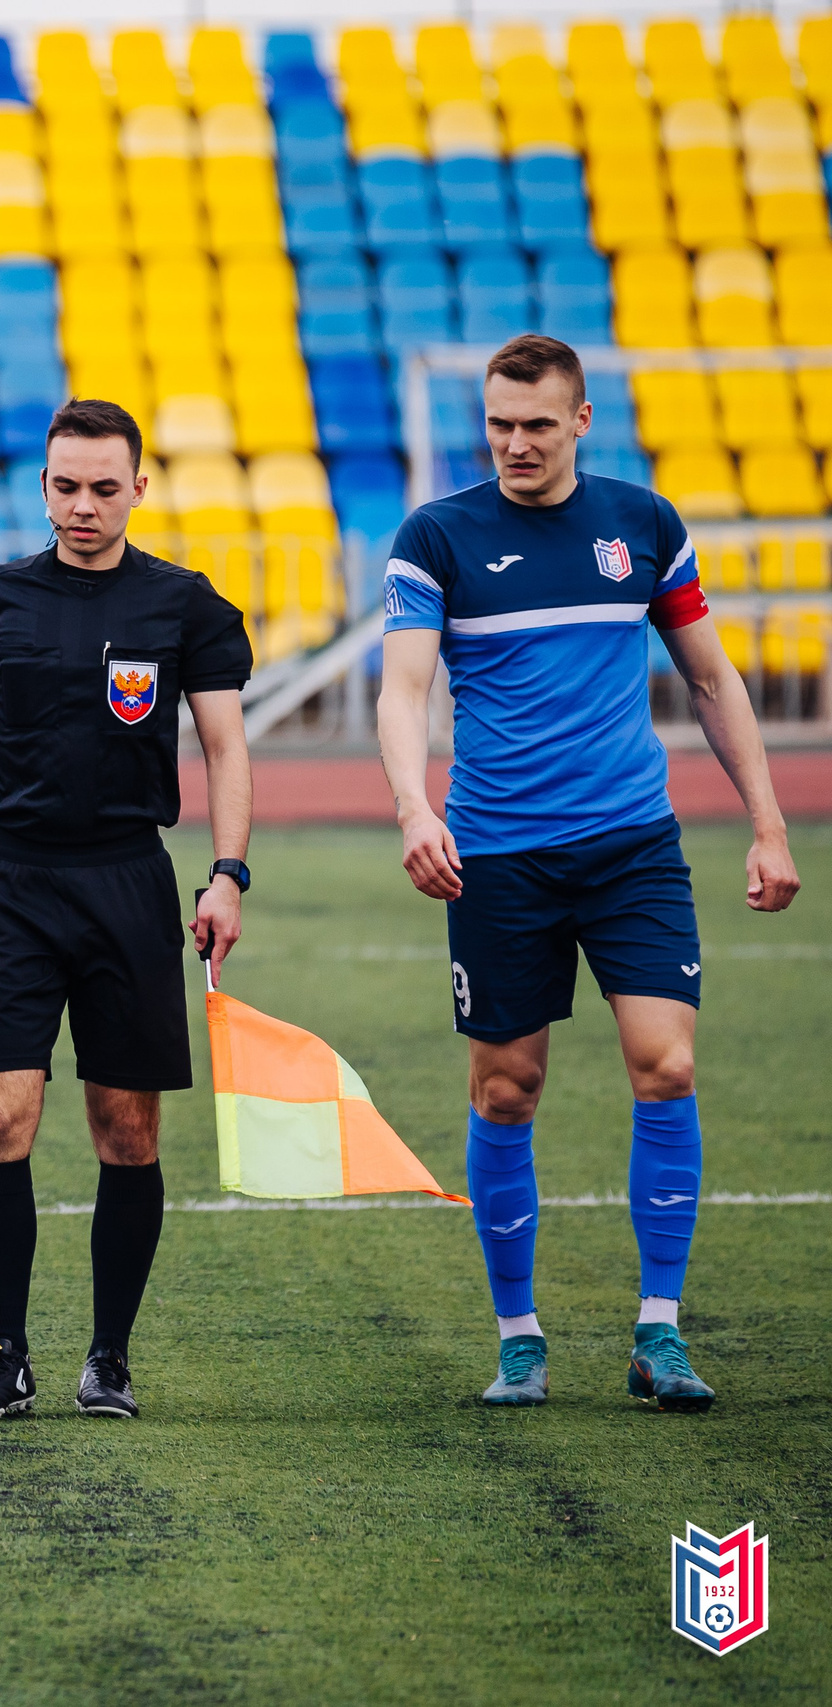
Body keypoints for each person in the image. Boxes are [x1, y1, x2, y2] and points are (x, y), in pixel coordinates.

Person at [376, 334, 800, 1412]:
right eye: (497, 425)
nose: (512, 444)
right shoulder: (438, 535)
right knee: (506, 1088)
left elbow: (710, 680)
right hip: (499, 857)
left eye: (533, 424)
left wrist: (767, 825)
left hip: (630, 847)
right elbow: (402, 687)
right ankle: (518, 1337)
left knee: (665, 1065)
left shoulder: (642, 525)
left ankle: (659, 1332)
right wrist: (414, 807)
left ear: (578, 421)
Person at [0, 398, 254, 1422]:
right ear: (44, 486)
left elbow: (227, 749)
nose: (83, 506)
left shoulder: (184, 607)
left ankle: (108, 1355)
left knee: (126, 1133)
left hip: (128, 885)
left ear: (138, 488)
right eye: (65, 486)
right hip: (10, 881)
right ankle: (3, 1354)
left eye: (104, 488)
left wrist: (228, 873)